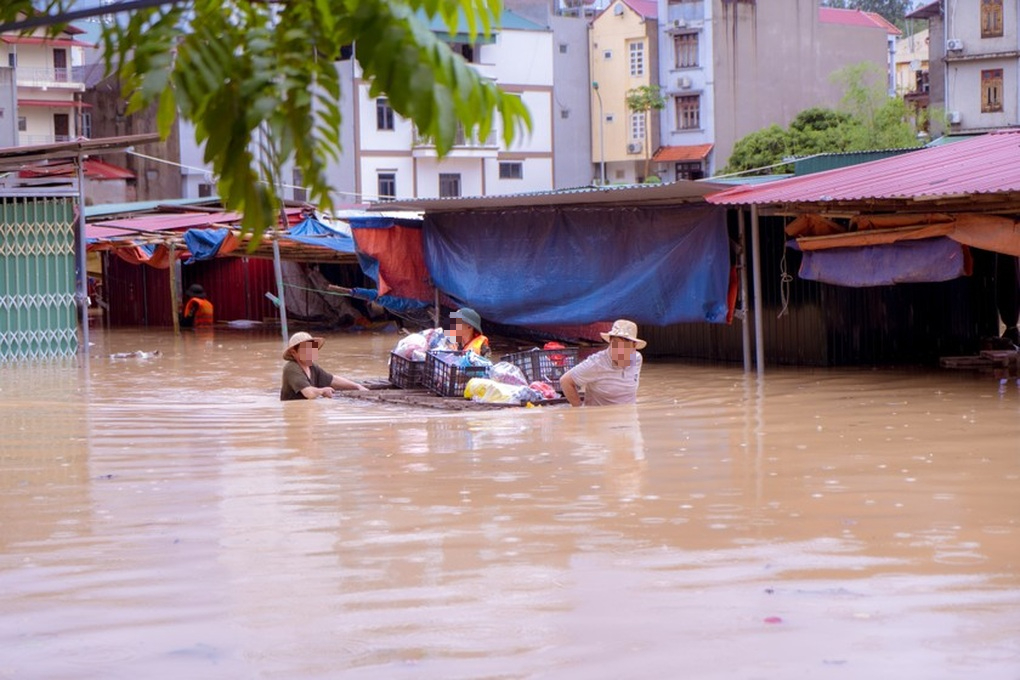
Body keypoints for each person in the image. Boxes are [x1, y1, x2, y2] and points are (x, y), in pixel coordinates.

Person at [559, 319, 645, 407]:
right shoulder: (597, 363)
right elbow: (565, 381)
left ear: (634, 346)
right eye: (615, 344)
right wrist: (579, 410)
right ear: (610, 342)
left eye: (624, 346)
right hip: (603, 415)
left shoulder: (636, 358)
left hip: (629, 414)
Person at [280, 331, 370, 401]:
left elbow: (332, 380)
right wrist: (322, 391)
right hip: (296, 415)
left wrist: (357, 386)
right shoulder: (291, 368)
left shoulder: (312, 367)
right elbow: (308, 393)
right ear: (294, 352)